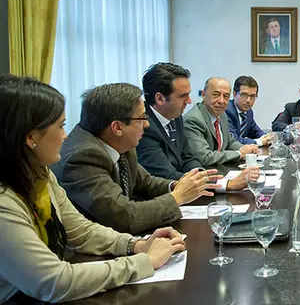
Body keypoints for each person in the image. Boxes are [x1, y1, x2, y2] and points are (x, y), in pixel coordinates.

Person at [0, 75, 185, 304]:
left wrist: (135, 245)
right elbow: (54, 281)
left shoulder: (40, 174)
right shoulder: (4, 203)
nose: (66, 136)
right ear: (31, 138)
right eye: (60, 126)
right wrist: (144, 262)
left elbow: (80, 230)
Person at [51, 83, 218, 235]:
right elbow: (125, 217)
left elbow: (145, 182)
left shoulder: (118, 142)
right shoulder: (82, 158)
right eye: (142, 118)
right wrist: (178, 197)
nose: (147, 124)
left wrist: (176, 185)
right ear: (117, 127)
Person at [184, 77, 261, 191]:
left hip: (221, 172)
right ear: (204, 95)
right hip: (204, 181)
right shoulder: (194, 120)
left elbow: (229, 140)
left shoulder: (222, 114)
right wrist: (239, 153)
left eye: (225, 96)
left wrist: (246, 149)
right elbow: (205, 157)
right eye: (216, 95)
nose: (221, 101)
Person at [136, 62, 204, 180]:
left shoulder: (175, 116)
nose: (189, 101)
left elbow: (188, 157)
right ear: (160, 98)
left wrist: (200, 173)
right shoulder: (143, 125)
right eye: (183, 96)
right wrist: (216, 184)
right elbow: (165, 174)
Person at [224, 75, 274, 147]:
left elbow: (255, 131)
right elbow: (233, 140)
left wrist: (267, 137)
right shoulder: (226, 111)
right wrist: (259, 142)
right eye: (244, 95)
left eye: (252, 96)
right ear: (234, 94)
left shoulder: (248, 112)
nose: (248, 100)